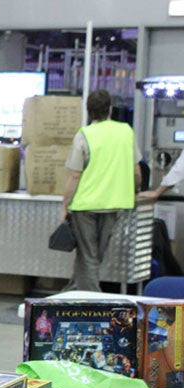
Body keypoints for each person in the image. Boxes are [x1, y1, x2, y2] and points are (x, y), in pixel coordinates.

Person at [61, 89, 142, 292]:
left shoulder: (84, 135)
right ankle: (73, 292)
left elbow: (74, 175)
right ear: (110, 110)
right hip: (115, 205)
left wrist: (64, 205)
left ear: (89, 112)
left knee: (88, 256)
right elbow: (136, 171)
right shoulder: (126, 132)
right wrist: (135, 191)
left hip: (85, 206)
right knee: (96, 256)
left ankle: (91, 300)